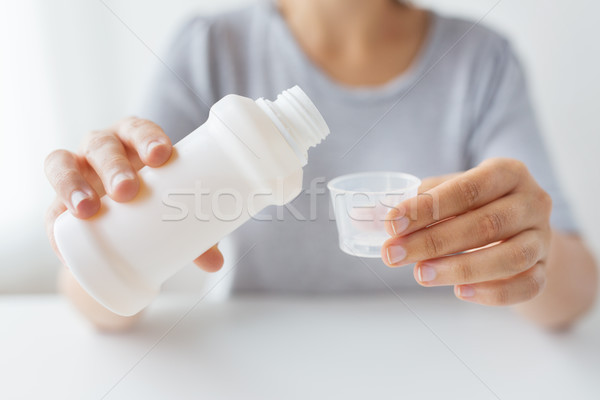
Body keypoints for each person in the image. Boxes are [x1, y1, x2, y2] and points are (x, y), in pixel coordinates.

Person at [44, 0, 597, 331]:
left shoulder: (481, 61)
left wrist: (531, 248)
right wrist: (95, 215)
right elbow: (92, 297)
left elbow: (575, 295)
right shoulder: (212, 48)